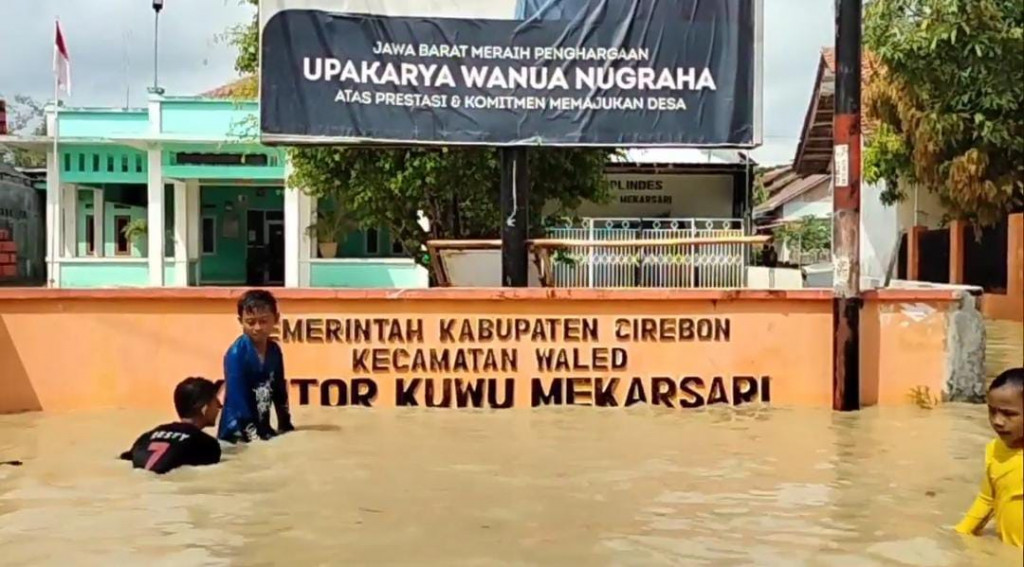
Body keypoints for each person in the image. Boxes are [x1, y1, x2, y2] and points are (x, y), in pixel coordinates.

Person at [955, 367, 1024, 547]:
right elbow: (987, 499)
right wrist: (961, 534)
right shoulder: (994, 450)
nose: (997, 421)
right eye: (992, 411)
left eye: (1009, 414)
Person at [218, 289, 294, 443]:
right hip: (236, 433)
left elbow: (279, 391)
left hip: (263, 428)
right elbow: (237, 399)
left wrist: (285, 423)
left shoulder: (274, 351)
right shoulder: (235, 355)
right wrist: (255, 439)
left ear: (276, 319)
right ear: (241, 321)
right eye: (251, 322)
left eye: (264, 321)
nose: (258, 327)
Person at [120, 377, 223, 474]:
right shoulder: (207, 444)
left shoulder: (147, 436)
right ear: (204, 409)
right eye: (216, 402)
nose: (219, 407)